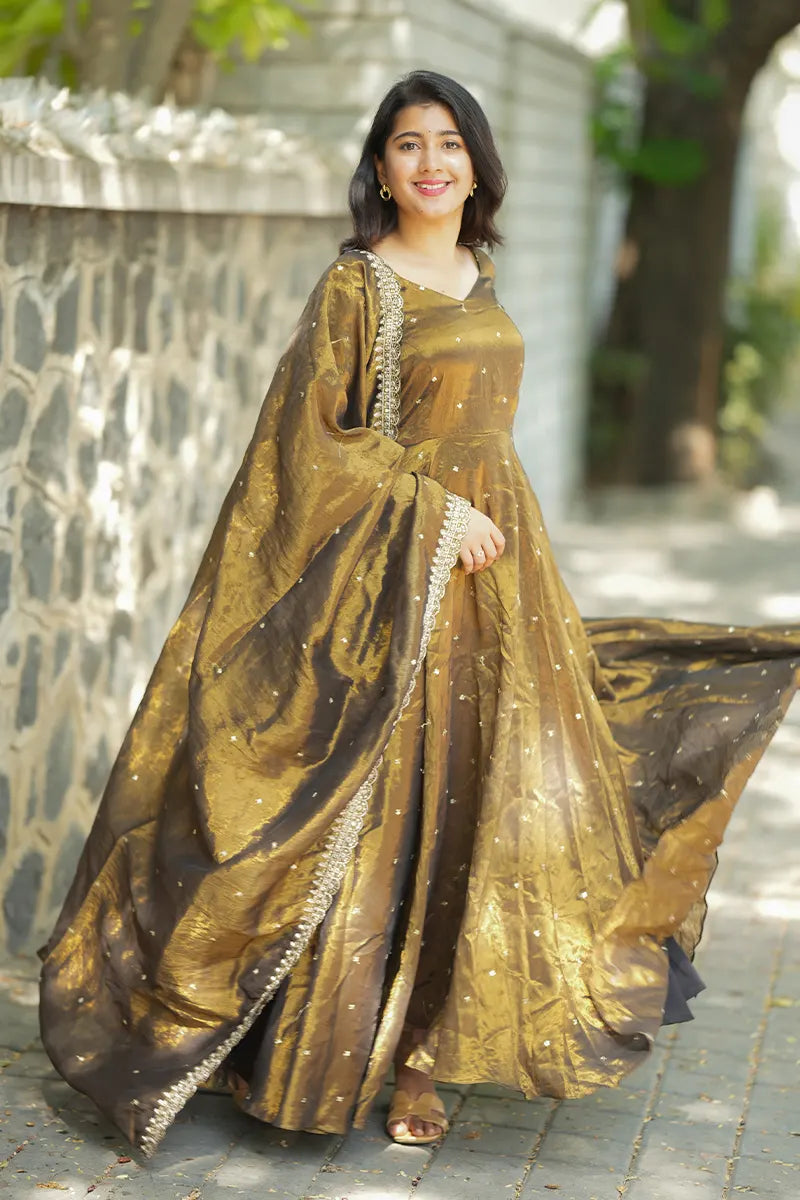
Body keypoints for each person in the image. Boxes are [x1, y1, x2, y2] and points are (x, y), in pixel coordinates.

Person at [39, 69, 800, 1156]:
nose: (431, 161)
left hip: (501, 574)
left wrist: (479, 518)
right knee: (386, 802)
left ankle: (423, 1058)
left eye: (449, 142)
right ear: (382, 167)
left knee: (490, 799)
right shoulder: (358, 285)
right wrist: (430, 508)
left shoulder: (480, 274)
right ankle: (323, 1047)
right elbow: (308, 441)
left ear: (477, 165)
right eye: (408, 144)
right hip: (397, 580)